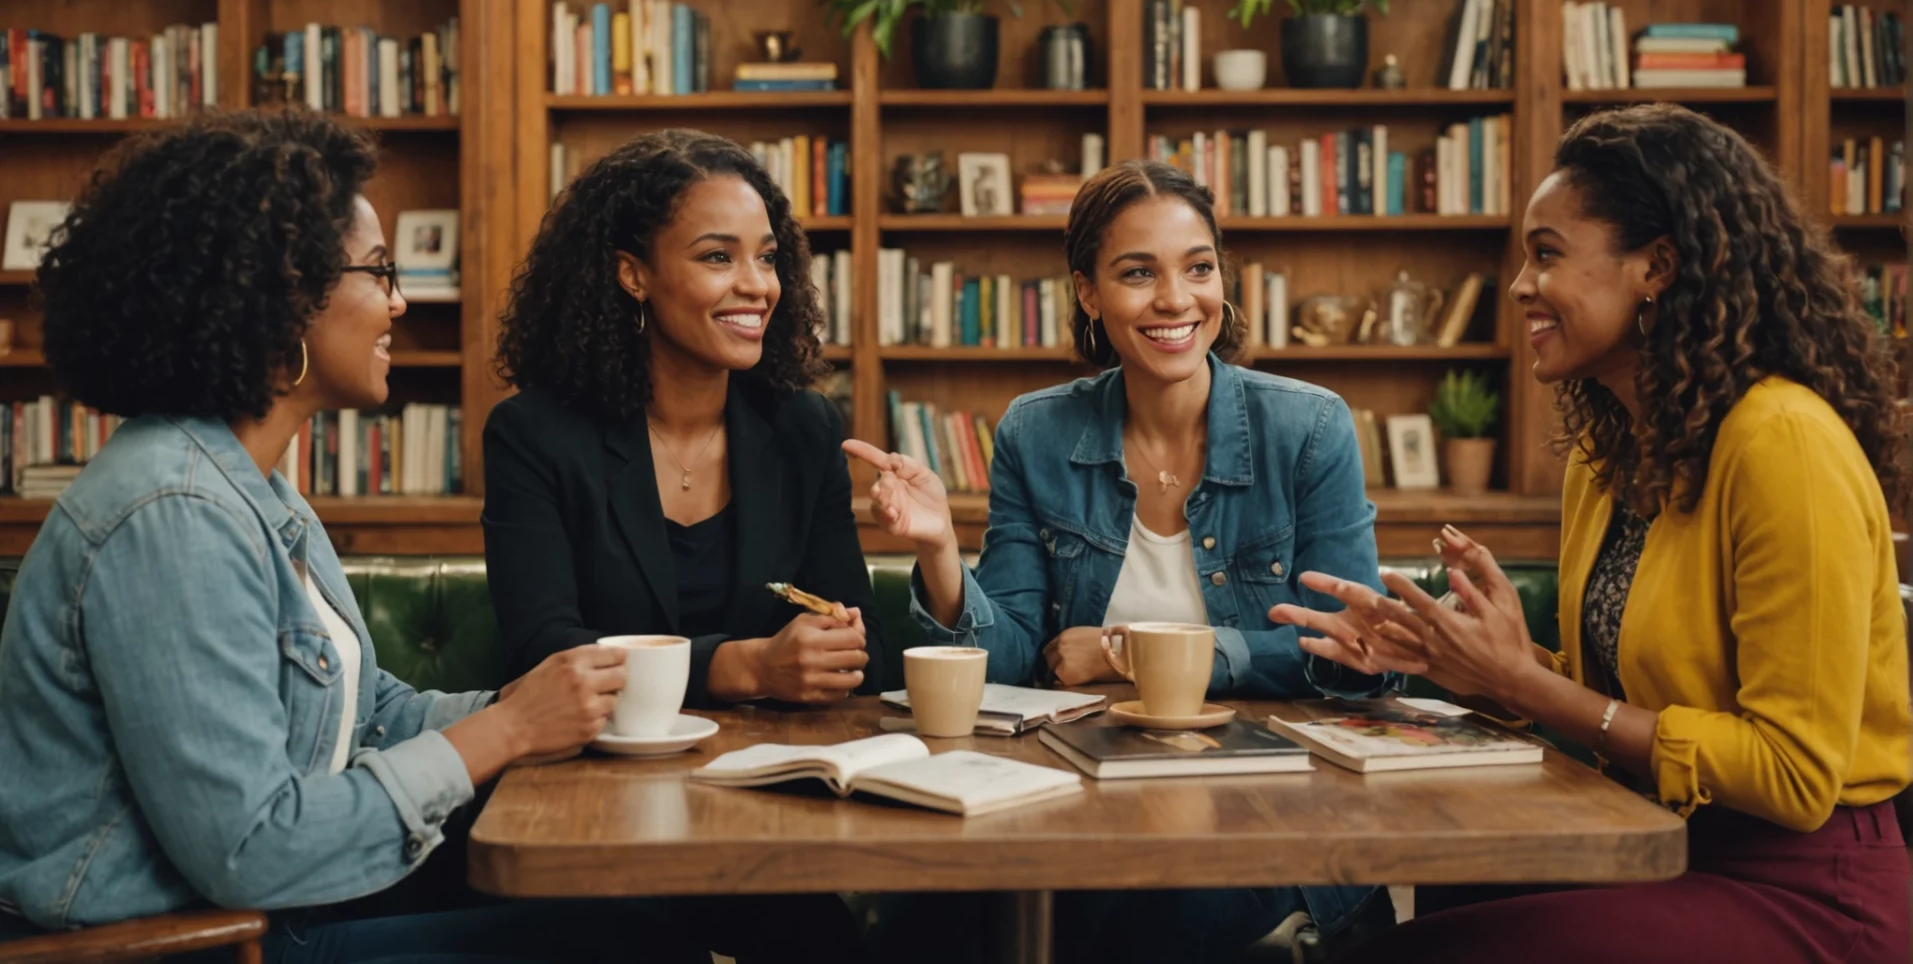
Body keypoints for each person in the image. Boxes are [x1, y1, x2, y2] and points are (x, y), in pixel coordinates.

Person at [0, 111, 697, 963]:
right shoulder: (171, 514)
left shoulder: (251, 486)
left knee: (641, 907)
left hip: (280, 908)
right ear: (285, 295)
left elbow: (370, 715)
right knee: (629, 946)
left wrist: (545, 703)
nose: (399, 300)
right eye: (380, 272)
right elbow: (251, 849)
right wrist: (505, 734)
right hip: (187, 939)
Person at [1278, 103, 1913, 963]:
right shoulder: (1607, 452)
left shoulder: (1782, 445)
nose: (1518, 287)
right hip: (1634, 837)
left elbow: (1792, 776)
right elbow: (1613, 695)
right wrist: (1442, 657)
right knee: (1444, 894)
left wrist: (1530, 688)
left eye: (1546, 254)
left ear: (1657, 266)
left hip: (1802, 886)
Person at [845, 160, 1395, 963]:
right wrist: (937, 548)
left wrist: (1124, 653)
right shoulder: (1037, 433)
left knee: (1134, 924)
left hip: (1278, 805)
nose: (1176, 300)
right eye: (1138, 274)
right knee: (924, 917)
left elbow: (1354, 650)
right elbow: (1006, 658)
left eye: (1197, 268)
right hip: (1080, 789)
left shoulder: (1307, 428)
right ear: (1088, 293)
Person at [483, 128, 877, 962]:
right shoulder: (534, 435)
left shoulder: (802, 429)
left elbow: (854, 648)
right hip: (590, 804)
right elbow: (542, 648)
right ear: (633, 274)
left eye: (766, 258)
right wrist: (745, 666)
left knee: (822, 940)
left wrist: (831, 648)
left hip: (768, 807)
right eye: (716, 257)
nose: (755, 285)